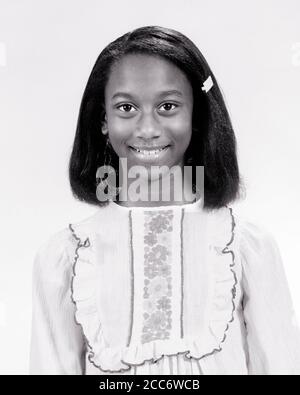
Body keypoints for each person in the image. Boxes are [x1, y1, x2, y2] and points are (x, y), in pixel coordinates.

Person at [29, 25, 300, 375]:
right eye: (126, 107)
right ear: (103, 120)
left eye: (168, 106)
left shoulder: (246, 248)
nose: (147, 128)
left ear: (197, 115)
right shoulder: (66, 257)